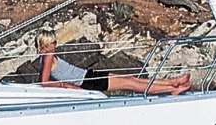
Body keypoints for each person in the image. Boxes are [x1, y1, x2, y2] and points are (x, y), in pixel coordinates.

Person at [36, 29, 191, 95]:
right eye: (52, 42)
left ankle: (172, 83)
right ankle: (171, 88)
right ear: (46, 45)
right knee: (131, 84)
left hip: (89, 76)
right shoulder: (48, 56)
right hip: (87, 82)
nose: (55, 45)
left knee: (132, 80)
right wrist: (67, 86)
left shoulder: (48, 56)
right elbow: (44, 82)